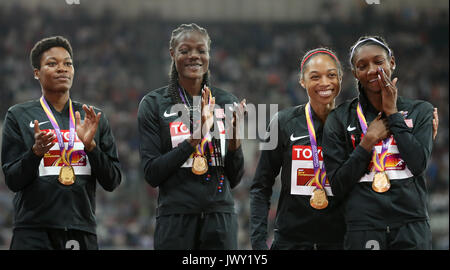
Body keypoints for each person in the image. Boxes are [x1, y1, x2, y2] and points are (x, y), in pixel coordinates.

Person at [1, 36, 122, 250]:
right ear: (36, 73)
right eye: (52, 63)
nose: (62, 69)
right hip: (32, 231)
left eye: (68, 63)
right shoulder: (18, 115)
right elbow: (12, 180)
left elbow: (112, 181)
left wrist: (91, 147)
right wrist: (35, 153)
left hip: (80, 229)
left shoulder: (92, 117)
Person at [138, 23, 246, 250]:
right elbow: (152, 174)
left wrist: (235, 142)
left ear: (209, 55)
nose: (193, 56)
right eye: (185, 50)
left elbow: (234, 178)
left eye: (201, 50)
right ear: (172, 54)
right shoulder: (154, 104)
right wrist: (193, 141)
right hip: (175, 218)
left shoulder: (227, 102)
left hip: (220, 219)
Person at [323, 36, 435, 250]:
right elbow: (337, 184)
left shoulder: (421, 111)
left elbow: (418, 163)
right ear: (355, 73)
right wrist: (367, 142)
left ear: (391, 62)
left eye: (378, 61)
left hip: (411, 225)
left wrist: (393, 114)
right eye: (362, 66)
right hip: (364, 227)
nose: (372, 70)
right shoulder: (339, 118)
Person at [250, 48, 346, 250]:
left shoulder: (351, 125)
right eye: (315, 76)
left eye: (331, 75)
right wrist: (258, 242)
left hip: (340, 242)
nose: (324, 83)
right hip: (290, 243)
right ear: (302, 81)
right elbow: (261, 186)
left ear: (340, 78)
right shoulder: (281, 123)